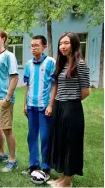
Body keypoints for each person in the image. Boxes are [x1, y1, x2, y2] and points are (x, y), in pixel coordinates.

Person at [47, 32, 90, 187]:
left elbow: (86, 91)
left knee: (71, 144)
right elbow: (57, 86)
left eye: (66, 43)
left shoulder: (80, 64)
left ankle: (67, 181)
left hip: (72, 108)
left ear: (74, 44)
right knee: (61, 142)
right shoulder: (63, 63)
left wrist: (70, 103)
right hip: (59, 106)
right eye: (60, 44)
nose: (62, 47)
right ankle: (63, 177)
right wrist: (55, 104)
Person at [21, 35, 56, 179]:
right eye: (31, 45)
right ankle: (33, 165)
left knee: (46, 137)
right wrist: (24, 104)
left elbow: (55, 85)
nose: (33, 48)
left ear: (44, 47)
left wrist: (51, 105)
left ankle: (46, 167)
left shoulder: (51, 62)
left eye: (36, 45)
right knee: (32, 137)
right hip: (31, 107)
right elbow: (27, 85)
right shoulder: (28, 64)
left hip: (44, 107)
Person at [0, 29, 19, 172]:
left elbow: (14, 77)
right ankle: (1, 153)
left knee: (6, 129)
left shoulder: (9, 56)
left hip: (3, 99)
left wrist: (7, 97)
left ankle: (12, 160)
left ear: (3, 39)